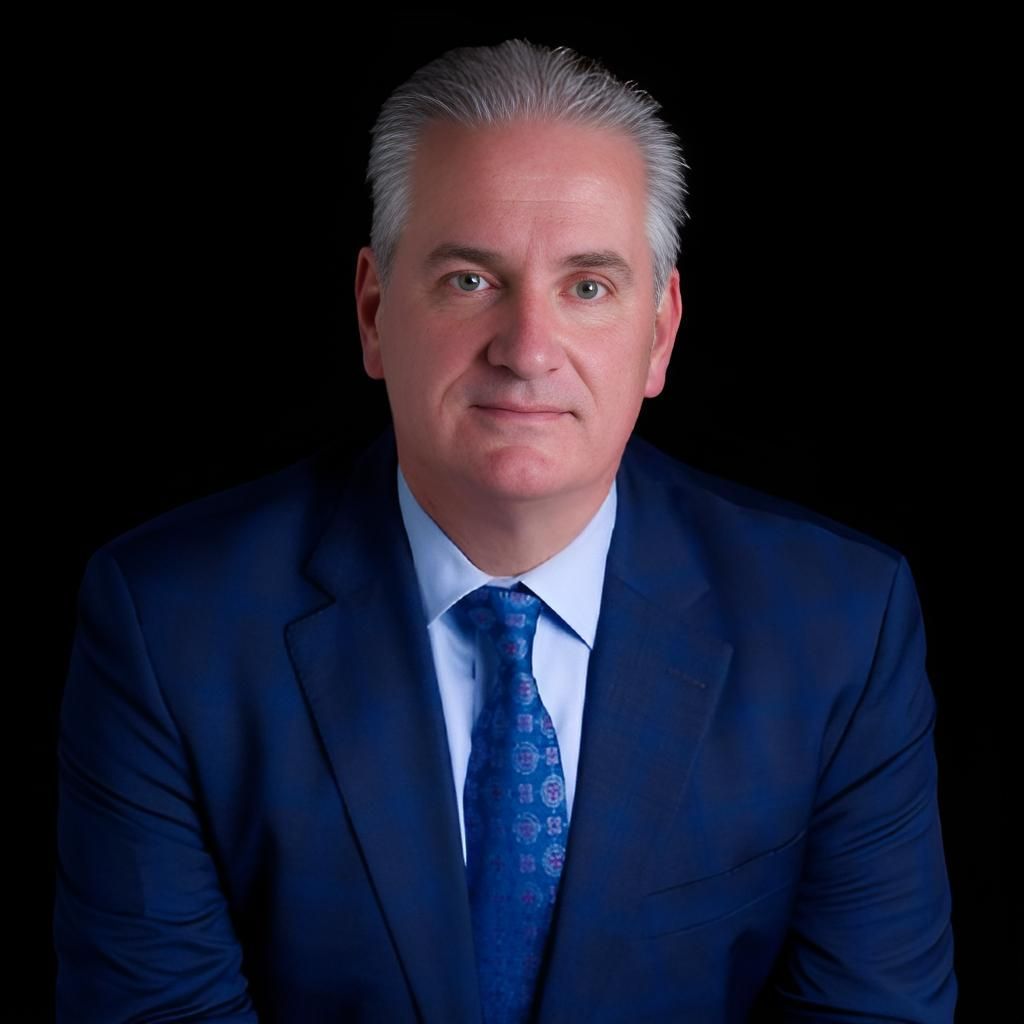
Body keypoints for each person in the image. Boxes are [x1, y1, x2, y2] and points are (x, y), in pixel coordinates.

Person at [54, 39, 957, 1023]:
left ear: (658, 333)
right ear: (371, 310)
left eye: (587, 287)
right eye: (469, 280)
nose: (528, 349)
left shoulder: (835, 628)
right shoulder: (170, 627)